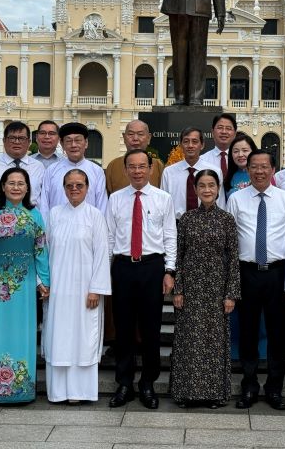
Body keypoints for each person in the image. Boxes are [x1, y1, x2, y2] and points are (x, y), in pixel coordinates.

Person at [107, 149, 176, 410]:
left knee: (151, 329)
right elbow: (110, 237)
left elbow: (170, 235)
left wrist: (169, 270)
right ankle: (124, 383)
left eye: (142, 166)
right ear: (125, 169)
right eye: (132, 167)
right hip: (123, 266)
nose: (137, 171)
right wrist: (107, 271)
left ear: (150, 169)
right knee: (123, 329)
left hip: (152, 267)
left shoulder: (163, 198)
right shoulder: (115, 199)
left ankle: (147, 383)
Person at [227, 150, 285, 410]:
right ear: (248, 169)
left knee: (278, 334)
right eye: (254, 166)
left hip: (278, 272)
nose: (259, 171)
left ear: (273, 169)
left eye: (264, 166)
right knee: (248, 331)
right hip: (247, 271)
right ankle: (249, 385)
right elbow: (230, 243)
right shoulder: (236, 199)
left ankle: (275, 388)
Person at [0, 168, 49, 404]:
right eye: (11, 183)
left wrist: (44, 281)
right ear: (3, 187)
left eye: (21, 183)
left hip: (25, 284)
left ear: (28, 188)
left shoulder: (35, 215)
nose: (16, 187)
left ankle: (22, 390)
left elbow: (40, 250)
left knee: (23, 332)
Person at [171, 169, 240, 408]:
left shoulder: (227, 220)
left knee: (214, 342)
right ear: (195, 189)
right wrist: (178, 289)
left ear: (218, 188)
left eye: (211, 185)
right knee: (189, 341)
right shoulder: (187, 219)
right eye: (202, 185)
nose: (207, 190)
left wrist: (231, 294)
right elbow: (179, 256)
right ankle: (187, 393)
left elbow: (233, 259)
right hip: (191, 290)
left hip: (216, 290)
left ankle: (214, 394)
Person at [43, 169, 111, 403]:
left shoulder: (95, 216)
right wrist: (45, 283)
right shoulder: (53, 214)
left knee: (83, 338)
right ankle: (59, 391)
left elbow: (103, 253)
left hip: (85, 290)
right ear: (63, 188)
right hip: (59, 289)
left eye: (79, 185)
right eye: (69, 185)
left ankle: (81, 391)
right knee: (59, 336)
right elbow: (44, 251)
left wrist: (96, 289)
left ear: (87, 187)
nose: (74, 189)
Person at [40, 122, 107, 214]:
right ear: (62, 144)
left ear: (86, 143)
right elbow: (44, 205)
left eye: (78, 140)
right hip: (58, 226)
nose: (73, 145)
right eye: (68, 141)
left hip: (88, 226)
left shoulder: (97, 171)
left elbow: (102, 205)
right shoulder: (52, 170)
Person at [162, 127, 224, 218]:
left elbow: (220, 202)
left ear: (202, 145)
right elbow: (164, 205)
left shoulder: (215, 171)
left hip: (208, 223)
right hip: (176, 224)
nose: (190, 145)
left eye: (195, 141)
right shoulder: (169, 172)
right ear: (181, 145)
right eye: (186, 141)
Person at [105, 120, 164, 194]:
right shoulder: (113, 166)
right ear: (124, 137)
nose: (135, 138)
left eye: (140, 134)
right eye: (131, 134)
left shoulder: (158, 166)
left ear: (148, 138)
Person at [201, 114, 237, 181]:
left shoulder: (241, 160)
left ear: (235, 134)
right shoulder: (202, 160)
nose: (224, 132)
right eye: (220, 128)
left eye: (228, 128)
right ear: (212, 132)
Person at [223, 133, 257, 198]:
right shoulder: (227, 178)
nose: (240, 155)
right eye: (236, 151)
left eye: (245, 150)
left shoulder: (262, 175)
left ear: (253, 151)